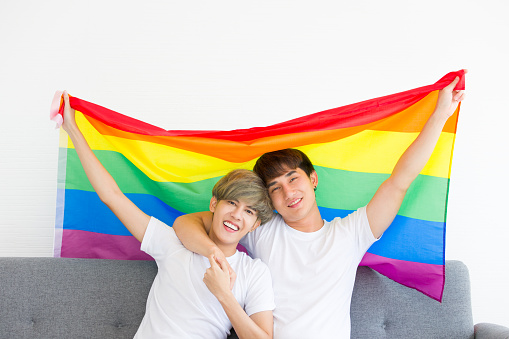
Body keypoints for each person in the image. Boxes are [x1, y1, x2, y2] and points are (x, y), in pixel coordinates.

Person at [172, 75, 466, 338]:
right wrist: (212, 252)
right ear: (269, 201)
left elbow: (400, 181)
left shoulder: (351, 233)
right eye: (275, 188)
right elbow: (186, 223)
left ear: (312, 179)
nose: (288, 192)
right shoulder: (260, 229)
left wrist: (440, 115)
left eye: (292, 178)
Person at [60, 92, 276, 339]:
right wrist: (73, 129)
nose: (237, 215)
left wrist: (224, 295)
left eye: (248, 211)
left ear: (255, 224)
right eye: (232, 202)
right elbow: (112, 196)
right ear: (214, 204)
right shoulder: (172, 242)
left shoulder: (254, 272)